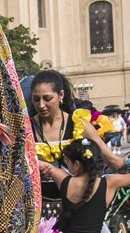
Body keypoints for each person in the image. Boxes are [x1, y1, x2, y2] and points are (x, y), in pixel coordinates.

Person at [29, 69, 124, 206]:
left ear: (61, 95)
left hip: (78, 202)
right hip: (38, 205)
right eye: (36, 99)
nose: (41, 105)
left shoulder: (79, 125)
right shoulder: (26, 129)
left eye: (47, 98)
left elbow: (111, 159)